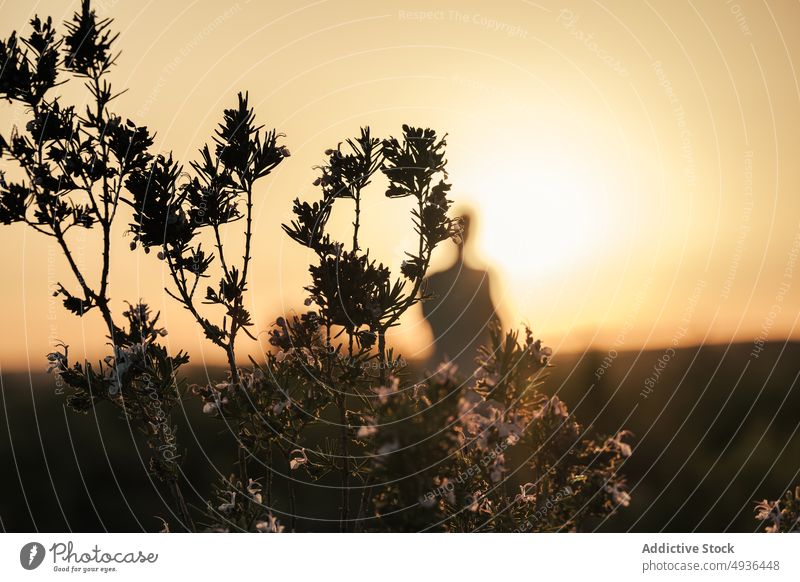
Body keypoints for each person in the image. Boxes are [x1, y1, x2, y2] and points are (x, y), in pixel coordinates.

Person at [422, 210, 499, 373]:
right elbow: (495, 322)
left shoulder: (434, 280)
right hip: (453, 364)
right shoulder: (433, 280)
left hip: (457, 363)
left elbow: (494, 321)